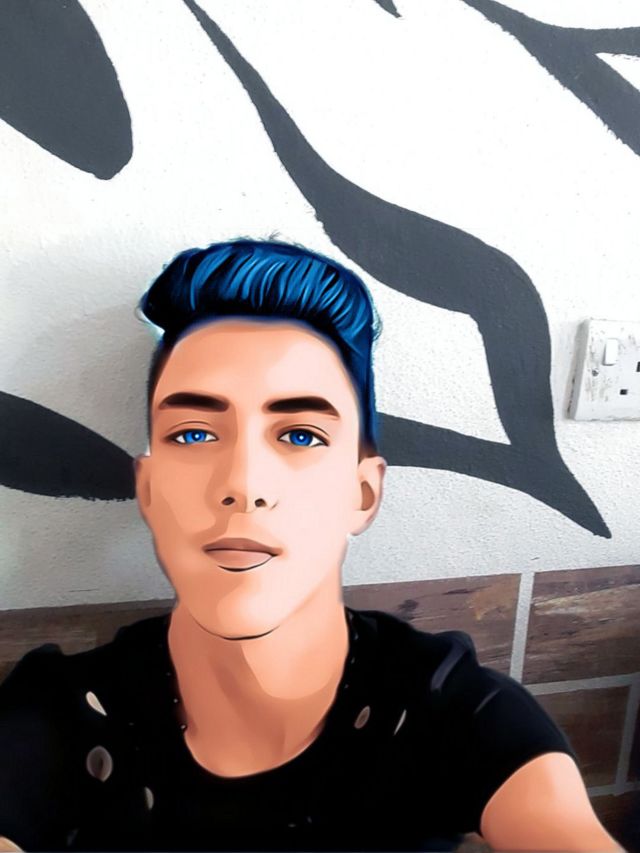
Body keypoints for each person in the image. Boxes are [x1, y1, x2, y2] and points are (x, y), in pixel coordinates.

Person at [0, 239, 623, 852]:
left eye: (300, 435)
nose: (243, 484)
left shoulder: (447, 710)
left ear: (362, 493)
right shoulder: (57, 714)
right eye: (193, 435)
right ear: (149, 490)